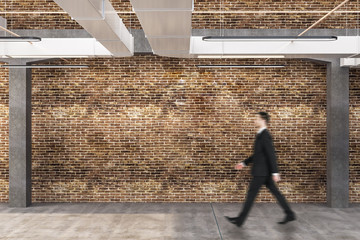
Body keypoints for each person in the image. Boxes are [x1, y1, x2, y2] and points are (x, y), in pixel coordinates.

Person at [225, 112, 295, 227]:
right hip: (264, 172)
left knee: (251, 195)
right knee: (275, 193)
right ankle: (290, 214)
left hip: (261, 173)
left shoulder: (265, 135)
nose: (254, 120)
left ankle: (240, 220)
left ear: (263, 120)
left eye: (256, 118)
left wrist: (275, 172)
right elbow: (258, 155)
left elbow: (271, 155)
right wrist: (244, 163)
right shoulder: (260, 135)